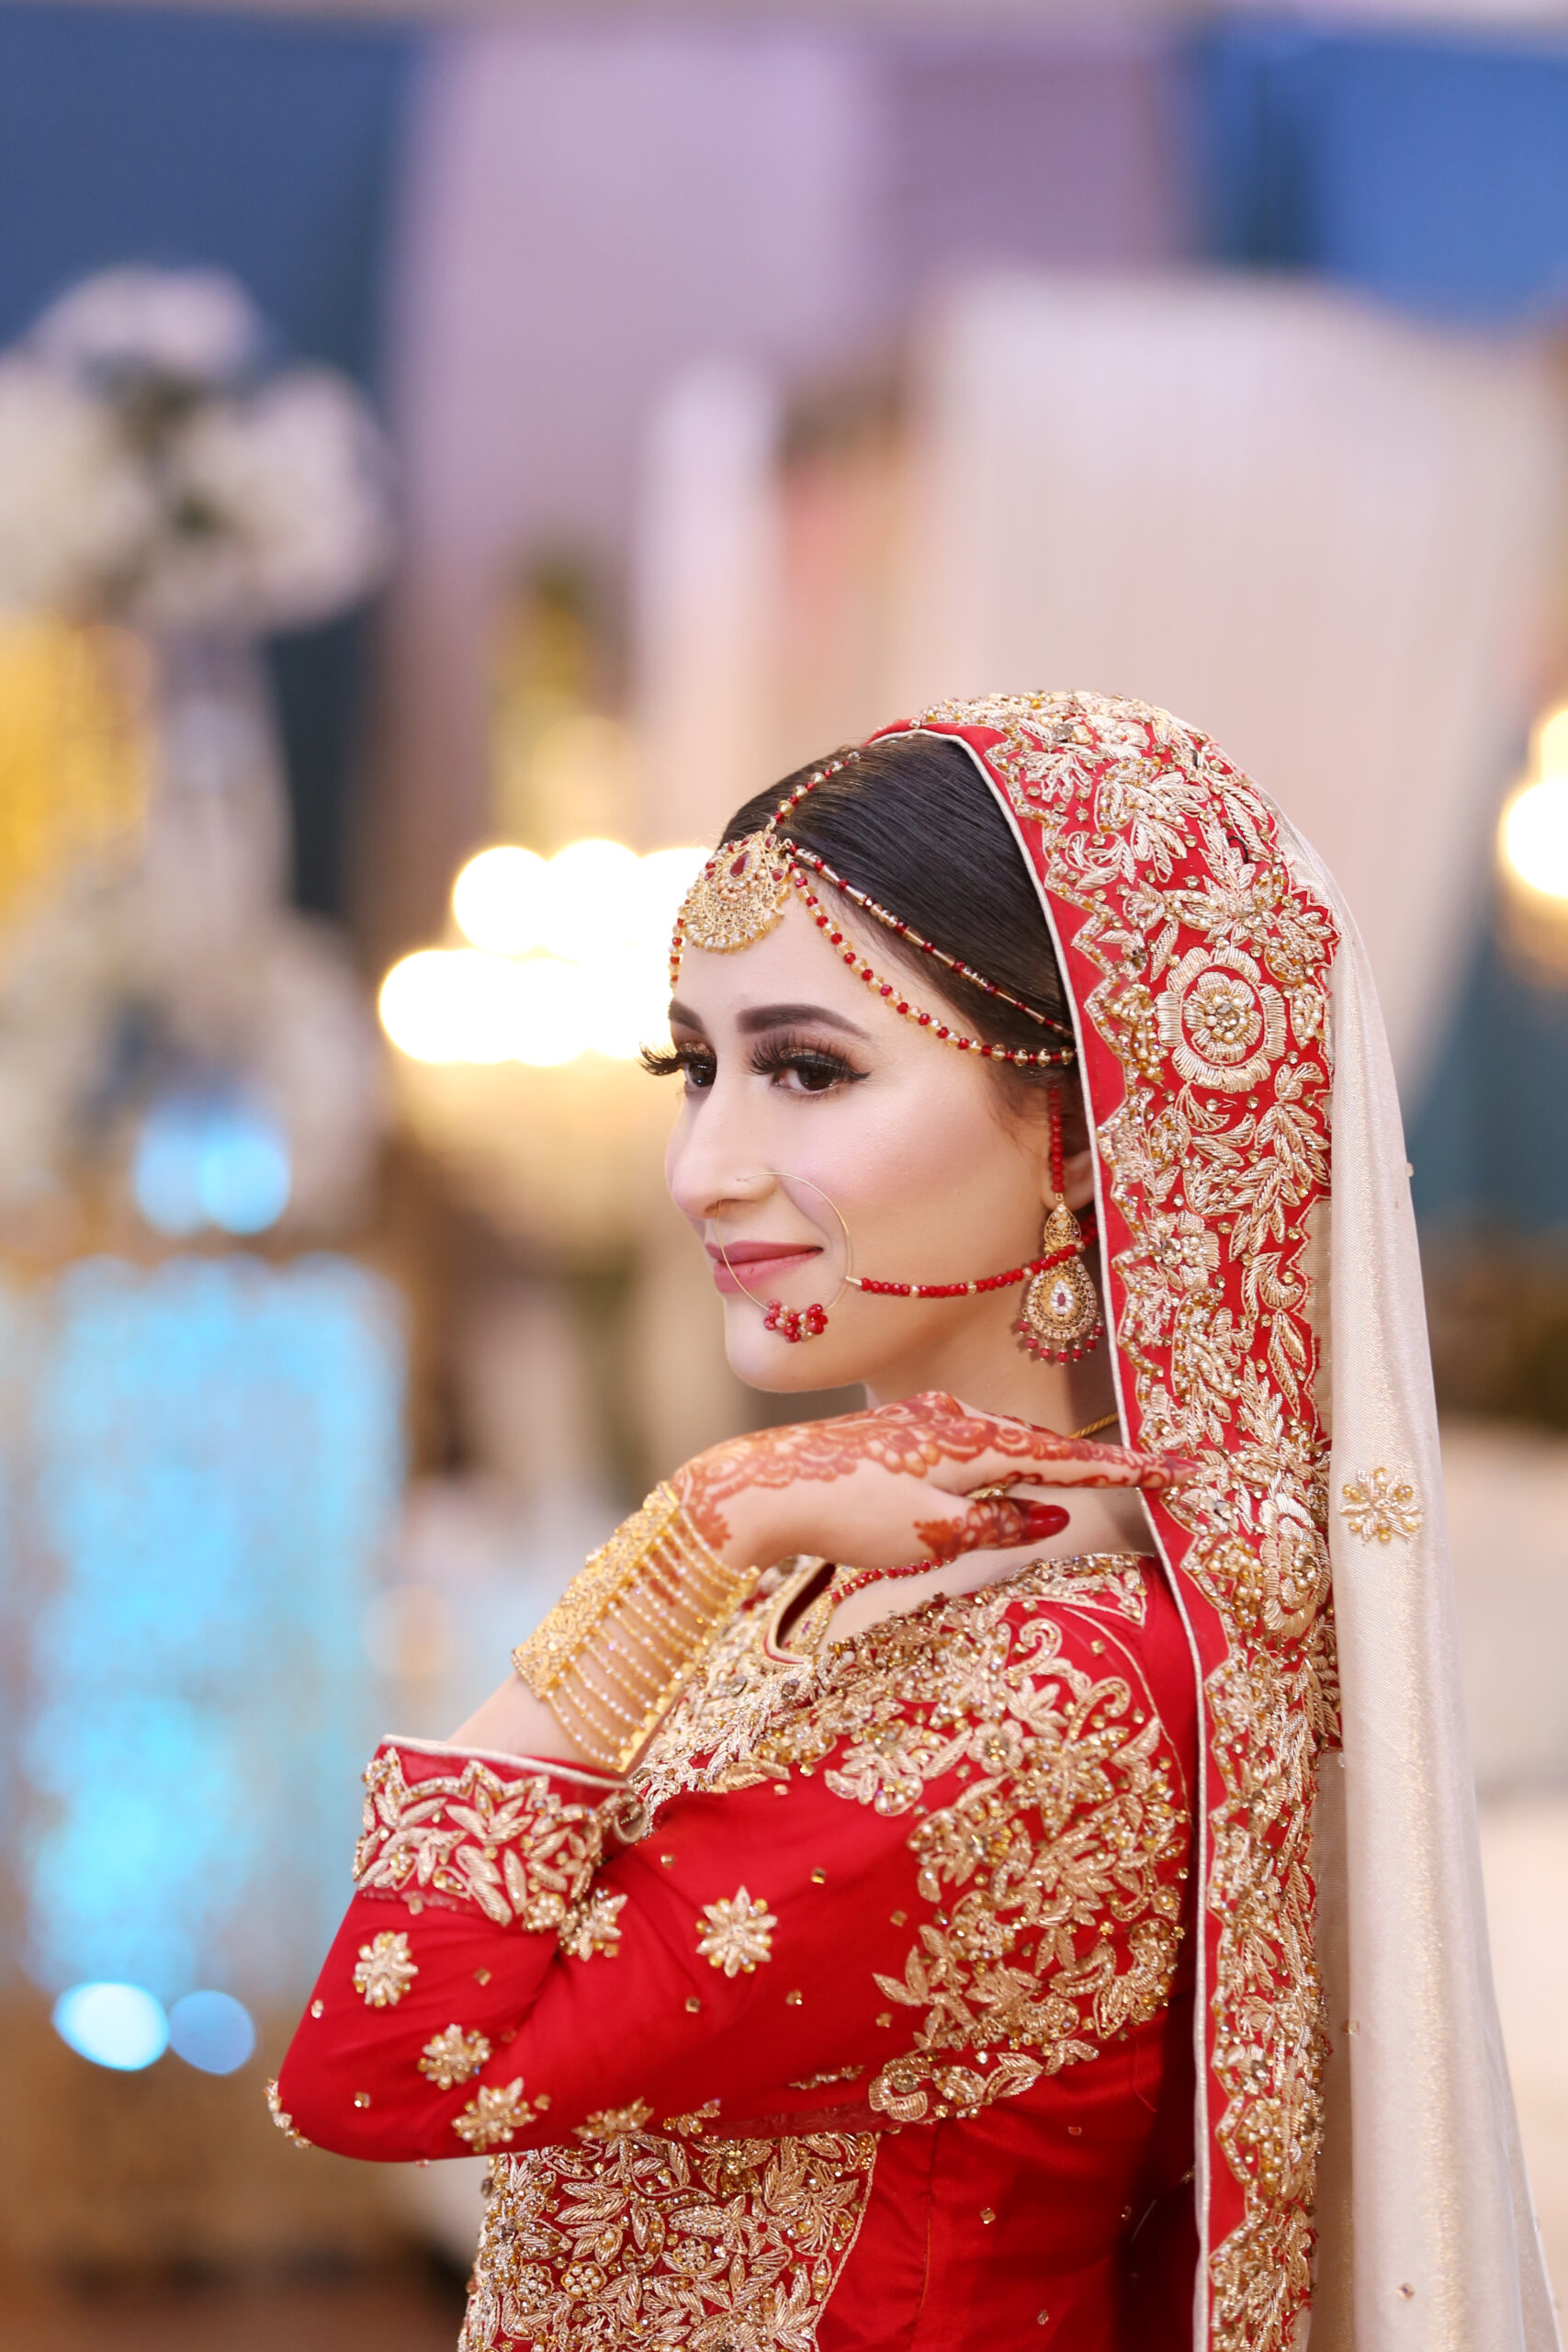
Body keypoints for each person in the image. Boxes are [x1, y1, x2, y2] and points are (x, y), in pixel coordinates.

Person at [273, 692, 1556, 2352]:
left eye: (808, 1069)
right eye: (694, 1068)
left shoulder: (1056, 1697)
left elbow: (385, 2063)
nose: (703, 1169)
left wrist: (686, 1536)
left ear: (1085, 1135)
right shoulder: (872, 1558)